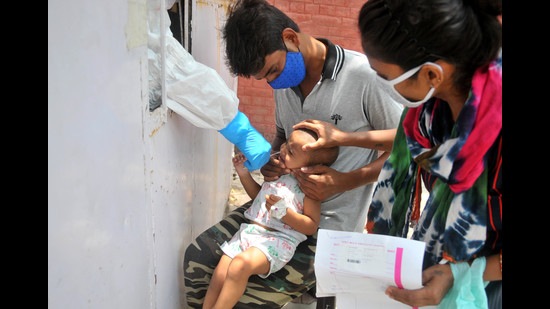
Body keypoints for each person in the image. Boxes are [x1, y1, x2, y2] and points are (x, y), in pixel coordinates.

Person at [183, 0, 403, 307]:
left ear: (290, 38)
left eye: (273, 70)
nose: (273, 82)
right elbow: (282, 137)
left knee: (244, 290)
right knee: (198, 260)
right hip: (270, 217)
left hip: (329, 230)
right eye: (265, 78)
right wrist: (273, 162)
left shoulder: (363, 77)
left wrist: (346, 181)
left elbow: (406, 144)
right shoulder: (284, 87)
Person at [297, 0, 502, 307]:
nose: (381, 85)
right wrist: (347, 138)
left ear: (432, 76)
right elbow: (410, 141)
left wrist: (462, 274)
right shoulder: (434, 110)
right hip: (441, 267)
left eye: (384, 76)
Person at [203, 128, 339, 309]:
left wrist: (286, 214)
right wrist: (243, 173)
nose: (283, 149)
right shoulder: (277, 174)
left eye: (291, 151)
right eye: (286, 143)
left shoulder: (310, 189)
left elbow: (311, 226)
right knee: (220, 273)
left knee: (238, 267)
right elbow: (258, 198)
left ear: (310, 166)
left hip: (278, 241)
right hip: (249, 232)